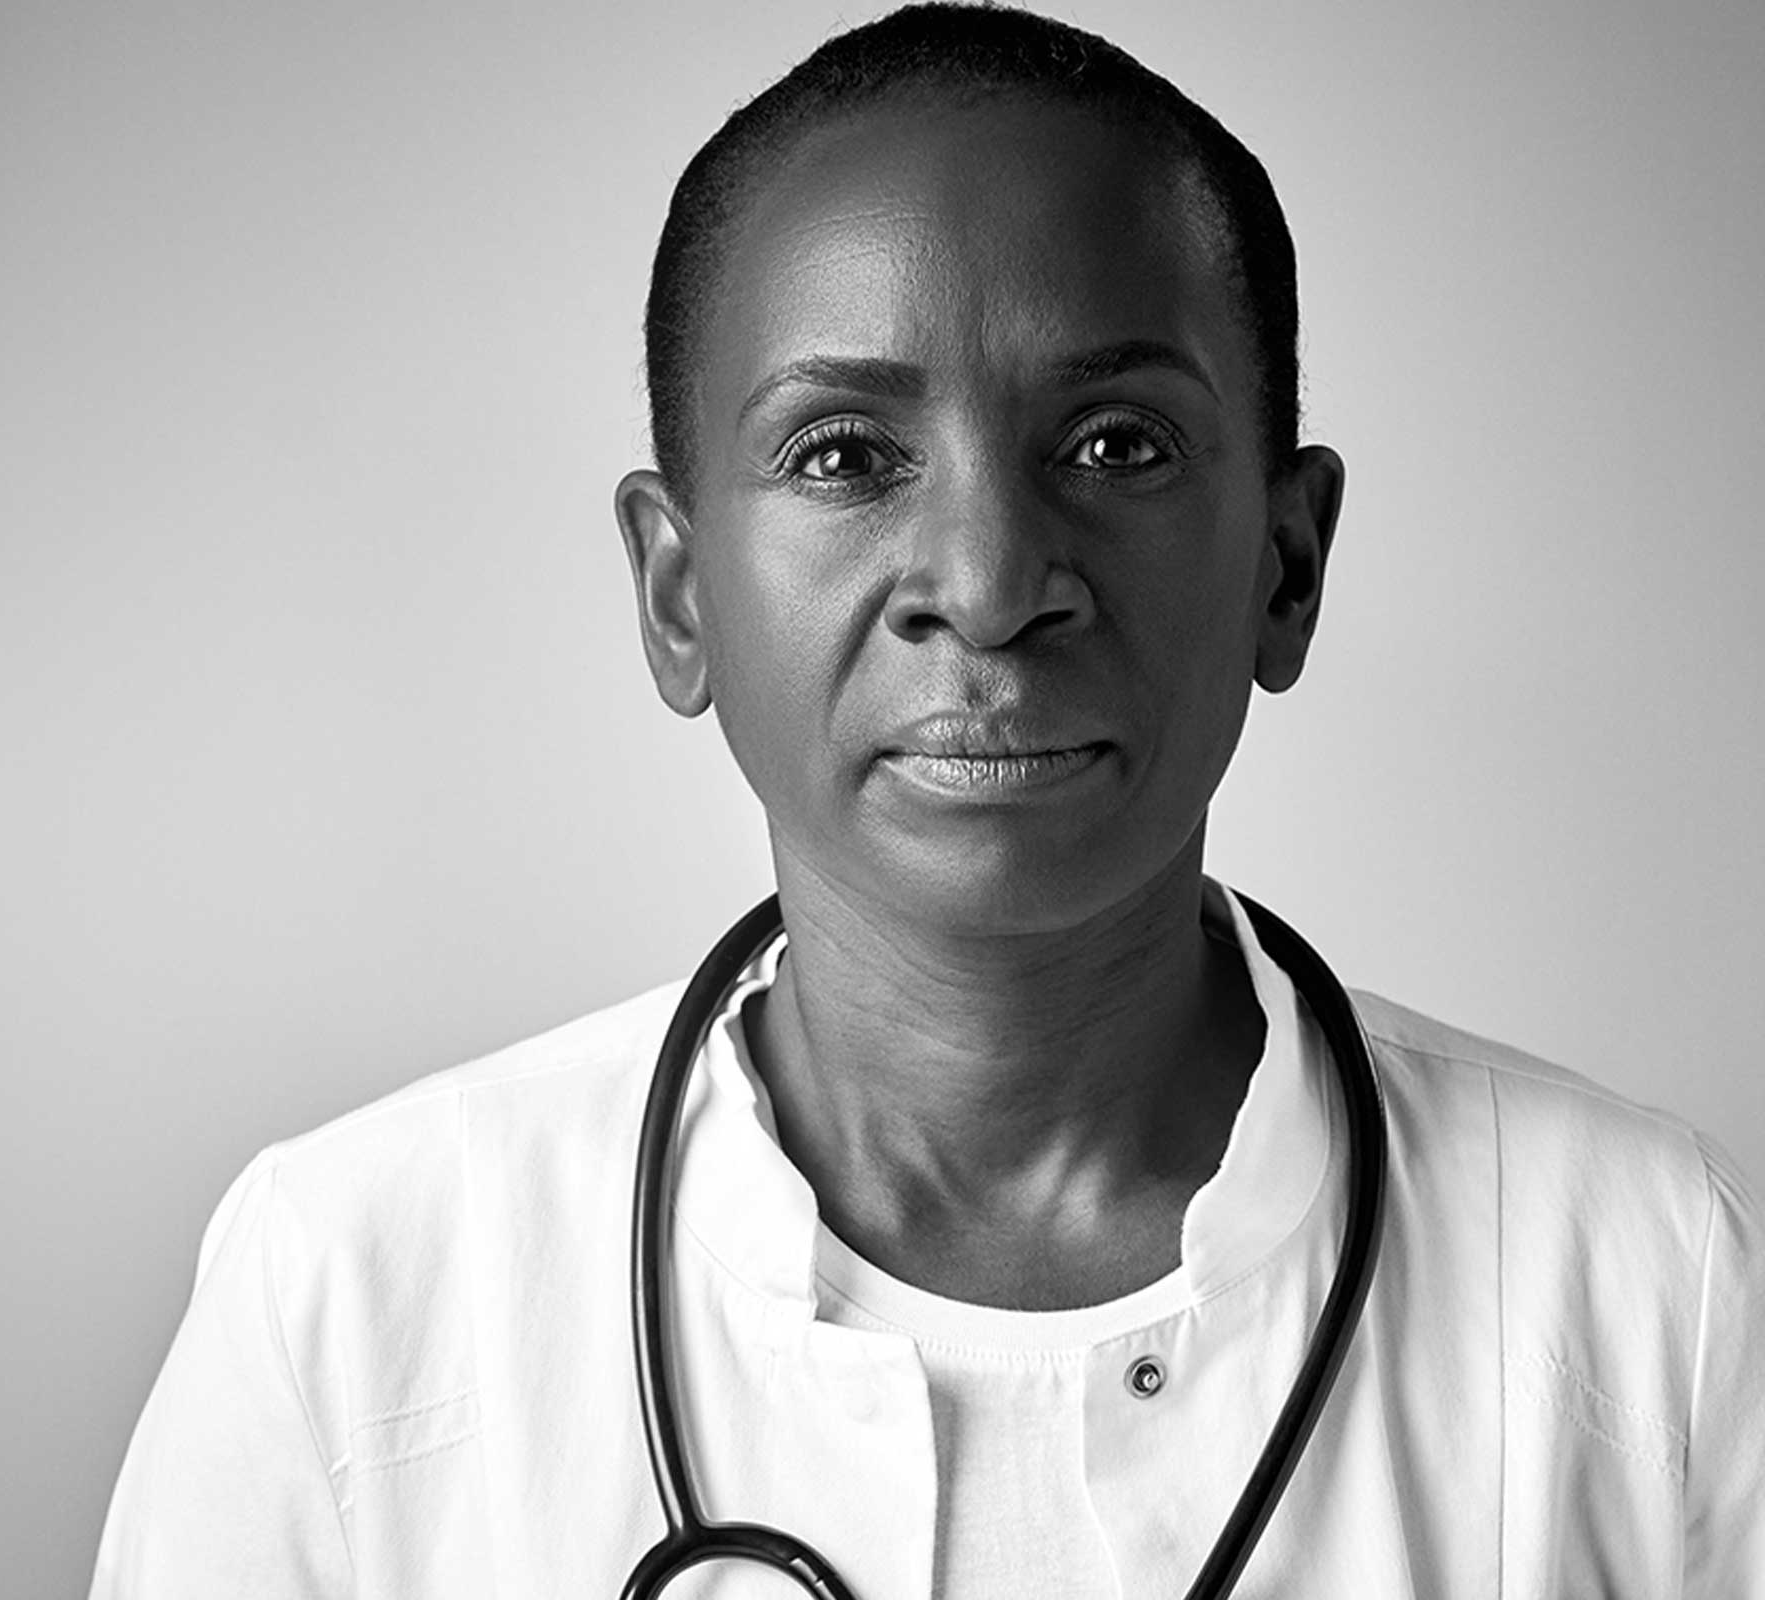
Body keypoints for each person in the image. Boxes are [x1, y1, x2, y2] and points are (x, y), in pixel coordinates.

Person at [88, 5, 1764, 1594]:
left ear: (1287, 565)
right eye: (842, 456)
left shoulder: (1648, 1287)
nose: (987, 581)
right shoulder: (348, 1298)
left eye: (1116, 444)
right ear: (678, 595)